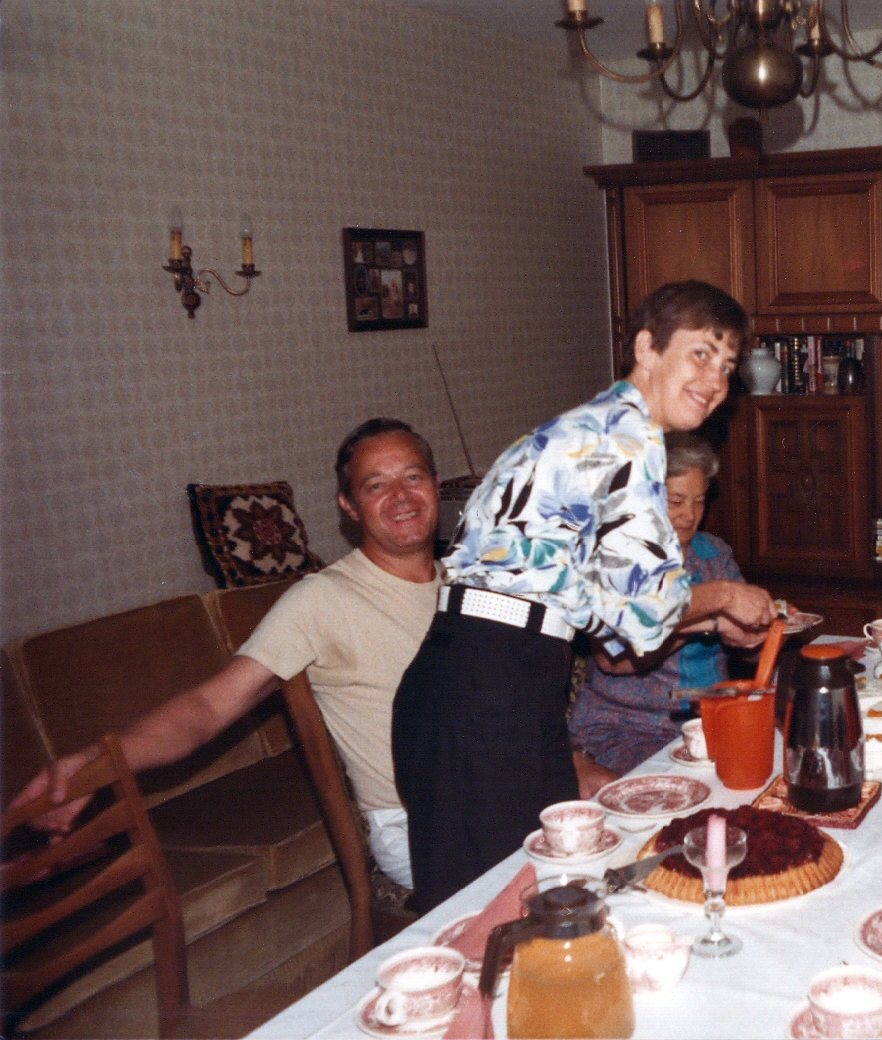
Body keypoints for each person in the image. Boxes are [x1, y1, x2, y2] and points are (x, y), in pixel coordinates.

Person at [392, 280, 776, 910]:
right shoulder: (628, 441)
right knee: (493, 917)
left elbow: (608, 607)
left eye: (729, 367)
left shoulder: (597, 428)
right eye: (701, 354)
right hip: (486, 696)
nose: (716, 380)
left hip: (482, 685)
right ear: (647, 348)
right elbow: (650, 611)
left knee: (541, 899)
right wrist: (727, 596)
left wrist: (709, 619)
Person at [9, 418, 446, 888]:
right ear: (350, 507)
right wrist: (92, 762)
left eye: (413, 476)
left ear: (437, 486)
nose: (400, 497)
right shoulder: (322, 601)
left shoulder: (472, 579)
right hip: (422, 828)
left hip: (497, 789)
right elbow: (207, 706)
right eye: (375, 485)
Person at [569, 432, 774, 774]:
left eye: (699, 501)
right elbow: (614, 658)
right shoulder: (616, 558)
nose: (690, 515)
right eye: (676, 501)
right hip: (626, 728)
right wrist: (709, 621)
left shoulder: (713, 554)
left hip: (706, 722)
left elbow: (747, 651)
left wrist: (766, 626)